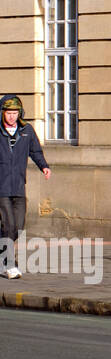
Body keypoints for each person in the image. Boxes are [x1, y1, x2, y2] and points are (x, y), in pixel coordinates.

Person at [0, 95, 51, 280]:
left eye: (15, 113)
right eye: (8, 113)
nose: (12, 117)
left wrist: (44, 166)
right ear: (2, 113)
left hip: (19, 186)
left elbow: (35, 151)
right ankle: (8, 264)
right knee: (8, 225)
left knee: (18, 227)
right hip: (2, 188)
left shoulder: (26, 130)